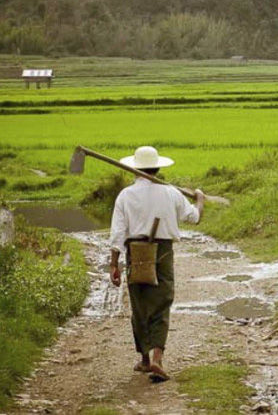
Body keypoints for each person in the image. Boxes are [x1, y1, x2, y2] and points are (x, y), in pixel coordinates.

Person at [109, 146, 204, 382]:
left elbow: (117, 233)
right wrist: (200, 199)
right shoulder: (170, 192)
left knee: (139, 305)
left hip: (135, 251)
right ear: (158, 167)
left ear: (134, 168)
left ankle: (144, 359)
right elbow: (194, 217)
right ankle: (157, 358)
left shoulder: (125, 195)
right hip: (162, 252)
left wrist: (114, 264)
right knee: (161, 303)